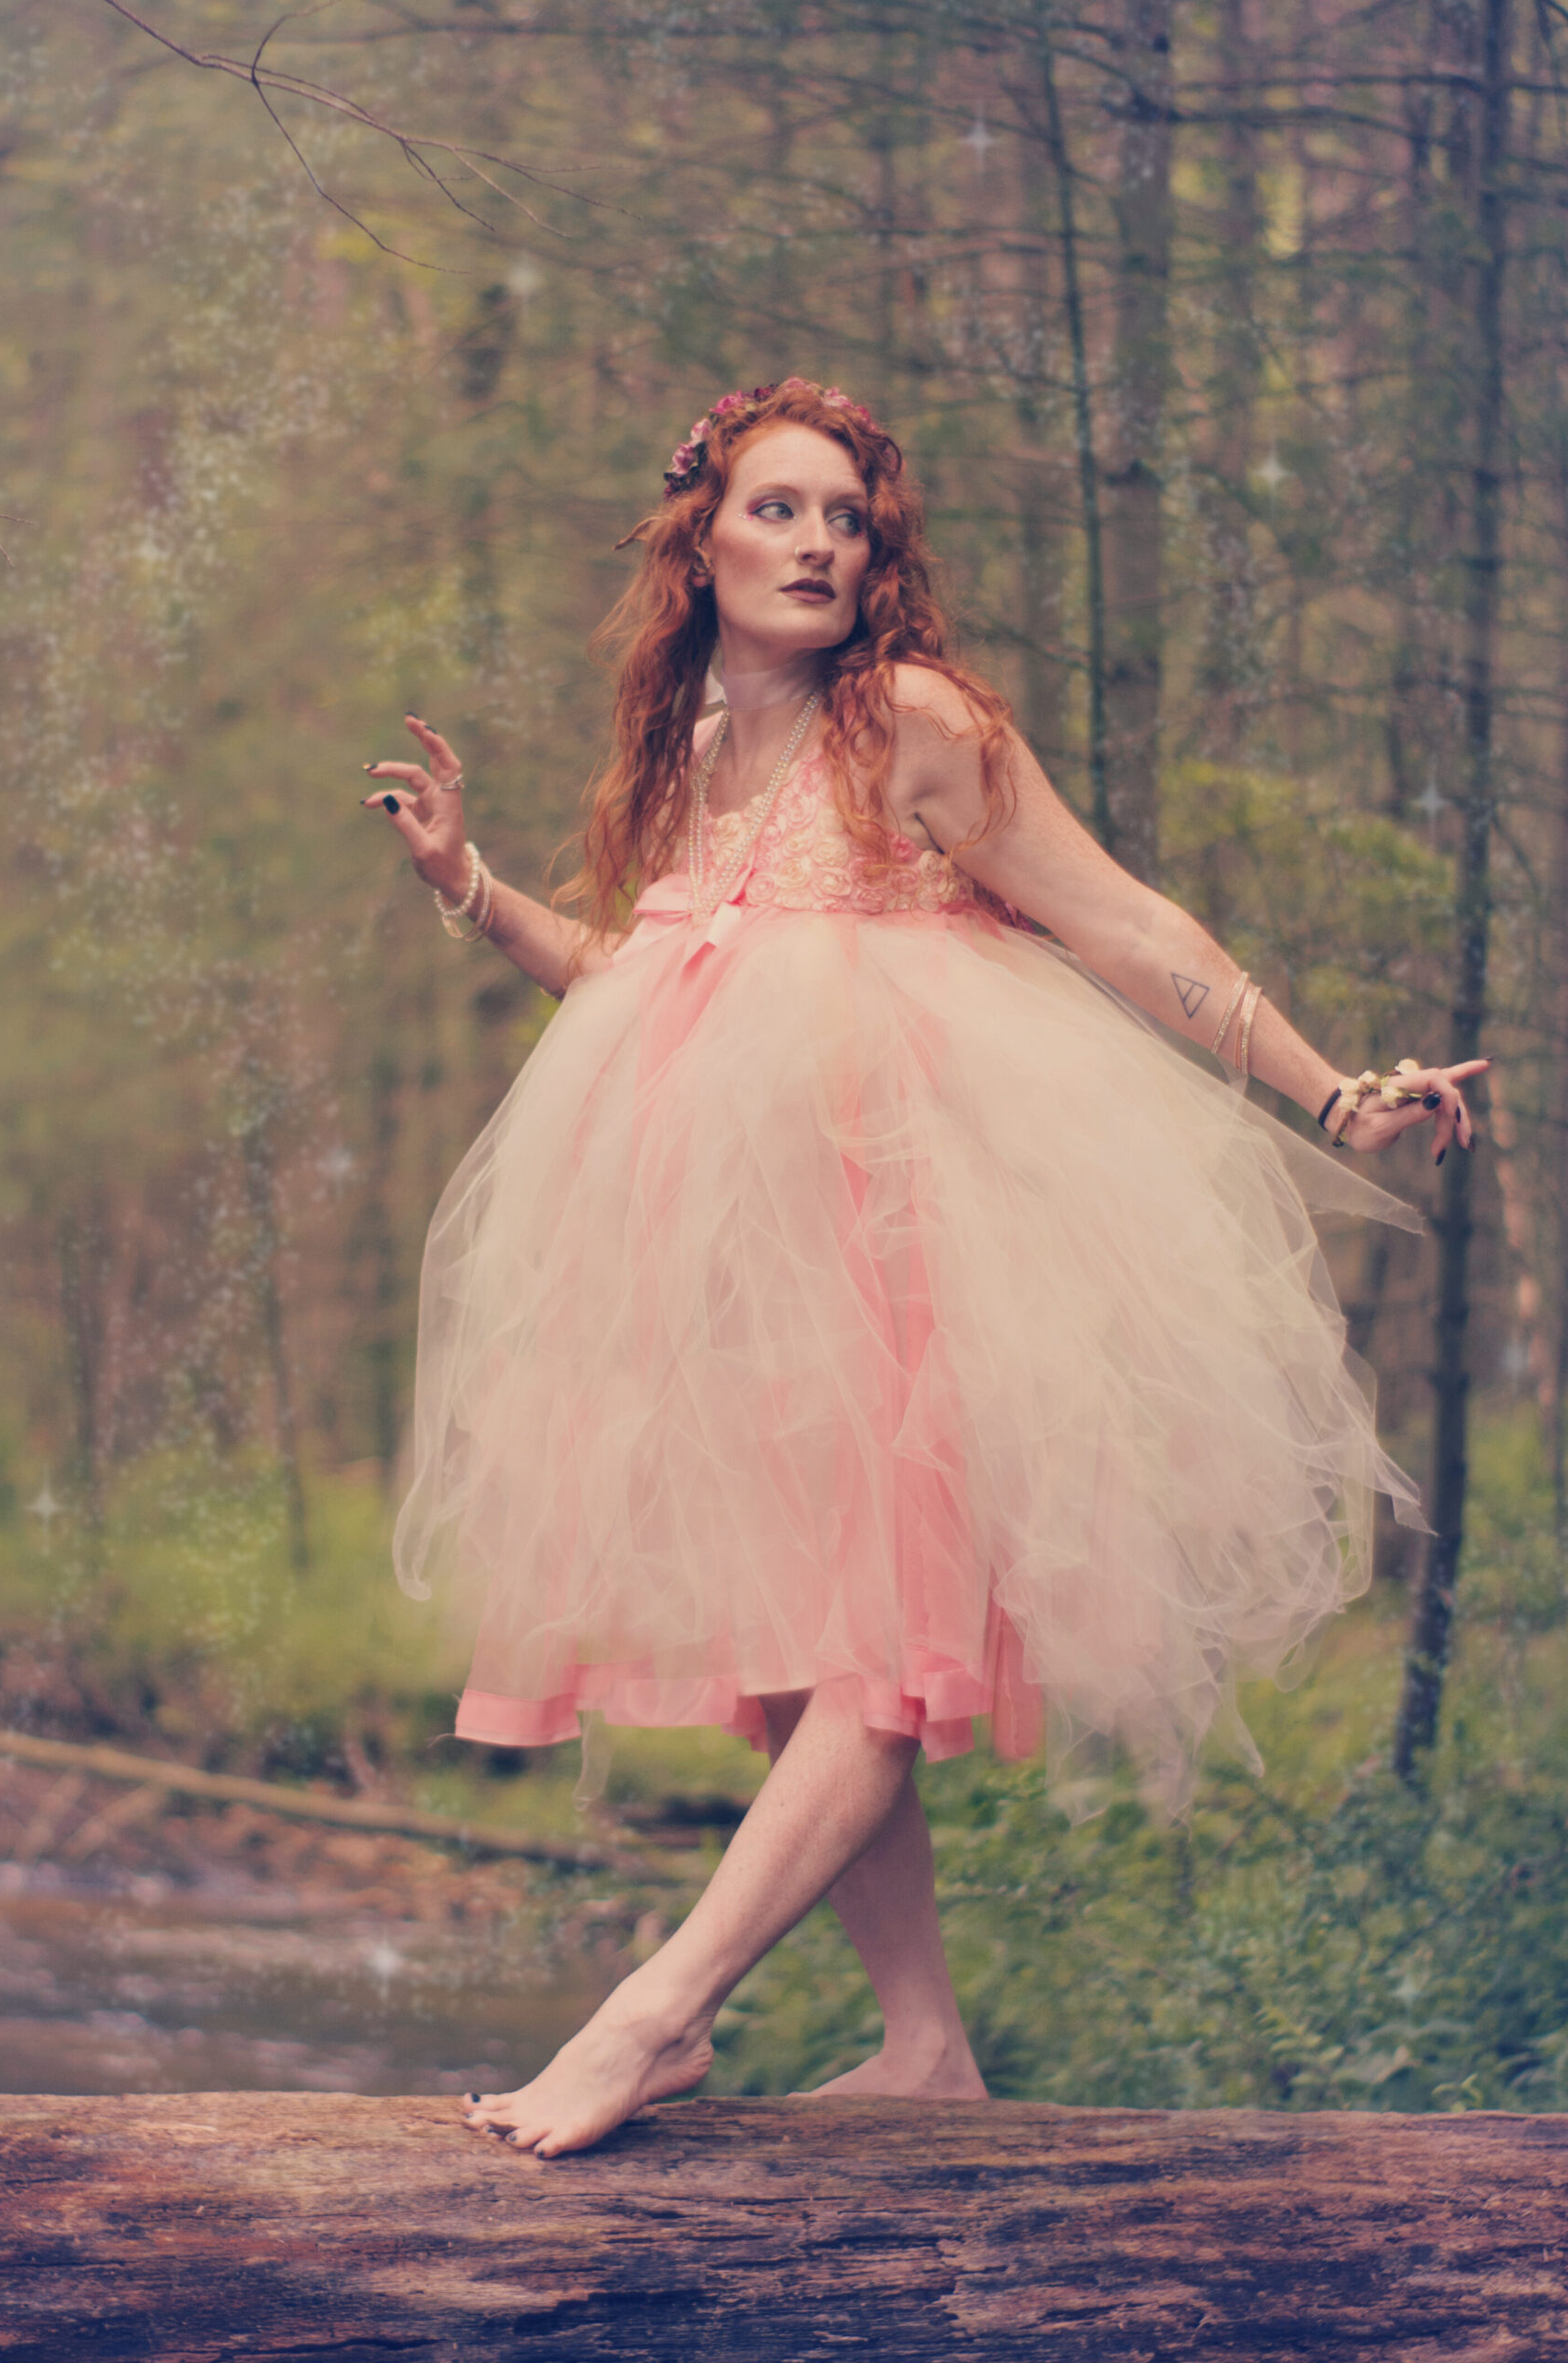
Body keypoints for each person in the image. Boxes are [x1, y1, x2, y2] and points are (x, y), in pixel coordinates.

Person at [361, 378, 1483, 2160]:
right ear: (701, 542)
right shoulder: (698, 752)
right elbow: (640, 986)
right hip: (760, 1279)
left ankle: (656, 2018)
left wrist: (1332, 1088)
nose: (819, 544)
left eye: (848, 519)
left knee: (880, 1661)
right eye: (780, 511)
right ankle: (927, 2048)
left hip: (922, 1250)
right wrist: (468, 884)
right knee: (825, 1660)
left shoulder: (916, 723)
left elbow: (1121, 923)